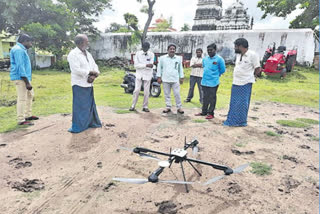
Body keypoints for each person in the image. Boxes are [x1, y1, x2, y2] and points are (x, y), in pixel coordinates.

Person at [67, 34, 102, 133]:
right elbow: (76, 69)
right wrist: (89, 74)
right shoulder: (73, 54)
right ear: (81, 43)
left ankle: (91, 123)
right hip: (79, 84)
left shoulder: (88, 53)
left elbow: (94, 66)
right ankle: (79, 126)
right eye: (87, 41)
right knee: (80, 106)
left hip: (89, 84)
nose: (88, 43)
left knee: (89, 106)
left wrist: (94, 75)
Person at [223, 38, 261, 127]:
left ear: (241, 46)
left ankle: (240, 122)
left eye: (236, 46)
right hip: (236, 83)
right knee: (234, 103)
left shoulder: (252, 55)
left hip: (245, 83)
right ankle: (232, 120)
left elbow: (258, 68)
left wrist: (253, 77)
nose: (234, 48)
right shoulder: (238, 55)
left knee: (242, 104)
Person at [10, 34, 39, 126]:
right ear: (25, 41)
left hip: (25, 78)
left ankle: (28, 115)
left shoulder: (21, 49)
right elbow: (20, 67)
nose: (31, 44)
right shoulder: (18, 50)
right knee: (22, 99)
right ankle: (21, 119)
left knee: (30, 95)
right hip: (21, 78)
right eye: (30, 42)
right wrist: (27, 82)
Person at [195, 43, 226, 119]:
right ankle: (204, 112)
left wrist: (215, 75)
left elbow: (222, 70)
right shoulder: (205, 59)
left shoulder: (219, 59)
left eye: (211, 50)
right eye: (208, 50)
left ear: (215, 50)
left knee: (212, 98)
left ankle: (211, 113)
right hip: (204, 81)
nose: (209, 52)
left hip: (213, 82)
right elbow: (204, 67)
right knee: (205, 98)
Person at [156, 44, 184, 114]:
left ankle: (179, 107)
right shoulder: (162, 58)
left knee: (177, 94)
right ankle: (168, 107)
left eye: (173, 49)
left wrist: (181, 77)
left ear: (175, 50)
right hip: (165, 79)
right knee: (167, 94)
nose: (172, 50)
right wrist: (159, 77)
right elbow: (159, 68)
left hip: (175, 79)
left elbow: (180, 68)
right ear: (168, 50)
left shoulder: (178, 58)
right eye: (170, 49)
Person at [129, 42, 154, 112]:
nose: (145, 49)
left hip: (147, 74)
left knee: (146, 92)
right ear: (142, 47)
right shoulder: (138, 54)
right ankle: (133, 105)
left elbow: (151, 65)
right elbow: (136, 65)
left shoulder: (151, 54)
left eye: (147, 48)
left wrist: (142, 65)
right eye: (144, 47)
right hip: (139, 74)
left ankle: (145, 106)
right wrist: (145, 65)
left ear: (148, 48)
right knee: (136, 90)